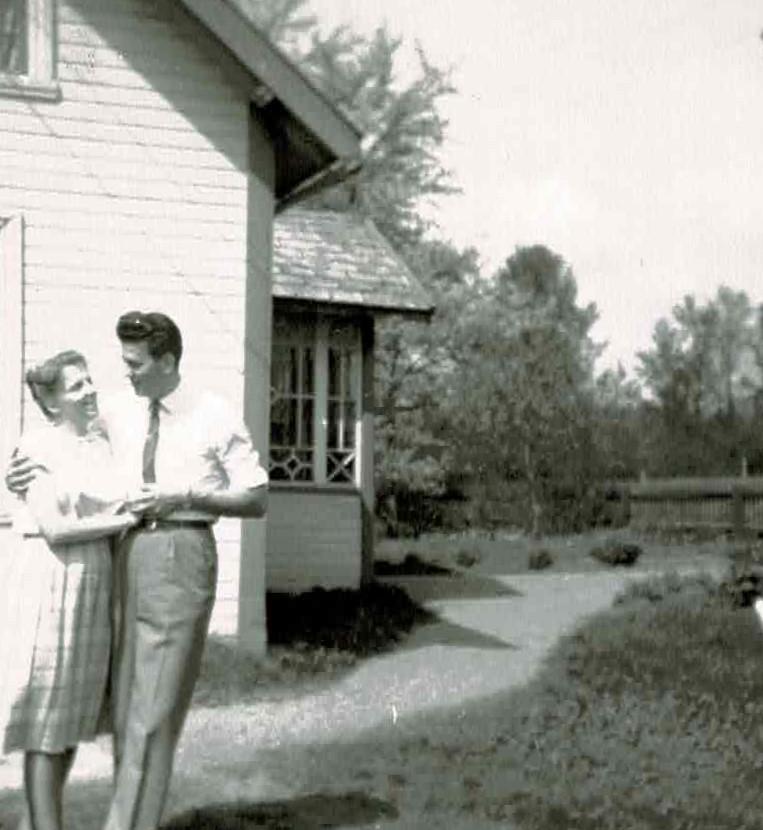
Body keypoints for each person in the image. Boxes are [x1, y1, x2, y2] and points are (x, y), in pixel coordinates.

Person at [5, 311, 268, 830]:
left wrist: (187, 494)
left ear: (167, 360)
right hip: (120, 553)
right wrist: (21, 470)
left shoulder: (211, 414)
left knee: (151, 712)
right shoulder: (120, 412)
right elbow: (64, 434)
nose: (124, 374)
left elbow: (256, 497)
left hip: (179, 549)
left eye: (135, 363)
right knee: (121, 707)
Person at [0, 350, 139, 830]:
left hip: (93, 581)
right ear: (52, 401)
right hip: (50, 578)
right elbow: (56, 529)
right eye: (75, 387)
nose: (89, 391)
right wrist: (121, 520)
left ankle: (37, 819)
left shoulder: (102, 443)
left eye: (89, 381)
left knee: (73, 711)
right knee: (45, 713)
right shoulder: (36, 446)